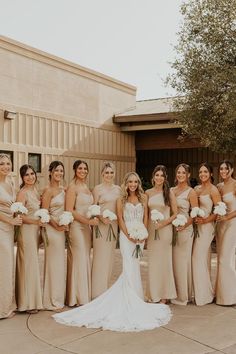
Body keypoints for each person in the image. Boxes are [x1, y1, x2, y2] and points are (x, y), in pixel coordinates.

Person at [53, 172, 171, 332]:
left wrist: (142, 233)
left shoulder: (143, 198)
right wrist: (128, 235)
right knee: (129, 265)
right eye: (130, 181)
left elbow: (145, 217)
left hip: (140, 236)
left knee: (135, 266)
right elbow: (121, 219)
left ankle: (136, 297)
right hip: (126, 236)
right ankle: (131, 299)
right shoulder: (121, 199)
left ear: (138, 183)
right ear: (126, 183)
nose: (133, 184)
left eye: (135, 181)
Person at [65, 160, 98, 306]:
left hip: (86, 228)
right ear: (74, 169)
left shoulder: (86, 187)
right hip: (77, 227)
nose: (83, 170)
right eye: (80, 168)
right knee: (78, 259)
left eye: (85, 168)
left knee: (84, 258)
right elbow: (70, 210)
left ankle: (83, 295)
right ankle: (76, 298)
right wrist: (87, 221)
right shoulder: (72, 187)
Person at [146, 165, 177, 304]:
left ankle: (164, 295)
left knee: (164, 262)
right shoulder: (147, 193)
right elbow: (145, 215)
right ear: (153, 177)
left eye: (161, 176)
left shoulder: (169, 193)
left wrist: (163, 223)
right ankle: (153, 293)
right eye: (157, 175)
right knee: (153, 262)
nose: (159, 178)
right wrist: (145, 232)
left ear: (165, 178)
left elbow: (175, 214)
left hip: (164, 231)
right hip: (152, 232)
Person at [192, 163, 221, 305]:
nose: (202, 174)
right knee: (202, 259)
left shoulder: (214, 190)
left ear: (210, 174)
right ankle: (201, 293)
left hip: (207, 227)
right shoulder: (196, 189)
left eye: (205, 172)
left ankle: (205, 295)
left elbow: (218, 211)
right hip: (196, 227)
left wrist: (204, 221)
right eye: (200, 172)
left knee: (197, 258)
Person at [15, 164, 43, 313]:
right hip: (26, 232)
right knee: (27, 265)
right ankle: (26, 303)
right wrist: (36, 222)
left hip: (34, 231)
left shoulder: (35, 191)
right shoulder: (23, 193)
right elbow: (19, 216)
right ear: (22, 177)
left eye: (32, 174)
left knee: (32, 265)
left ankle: (32, 300)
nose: (30, 177)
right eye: (26, 175)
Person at [91, 162, 121, 299]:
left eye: (111, 172)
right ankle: (97, 292)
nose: (109, 175)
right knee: (100, 257)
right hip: (101, 227)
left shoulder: (118, 190)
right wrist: (100, 218)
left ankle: (106, 289)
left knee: (109, 258)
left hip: (113, 227)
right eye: (107, 172)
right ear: (102, 174)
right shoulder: (97, 189)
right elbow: (93, 208)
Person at [171, 163, 198, 305]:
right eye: (178, 172)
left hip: (185, 230)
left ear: (188, 175)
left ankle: (183, 295)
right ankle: (172, 292)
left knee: (182, 262)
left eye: (183, 173)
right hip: (172, 230)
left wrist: (184, 225)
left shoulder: (191, 192)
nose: (180, 175)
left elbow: (194, 214)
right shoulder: (171, 190)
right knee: (173, 262)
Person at [41, 161, 66, 311]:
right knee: (53, 264)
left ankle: (57, 297)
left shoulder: (64, 189)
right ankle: (51, 300)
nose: (59, 173)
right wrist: (56, 225)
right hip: (52, 229)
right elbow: (44, 213)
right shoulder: (48, 190)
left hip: (62, 230)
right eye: (56, 171)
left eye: (61, 171)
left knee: (59, 264)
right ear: (50, 172)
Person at [0, 153, 22, 319]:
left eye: (8, 163)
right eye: (2, 164)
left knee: (7, 266)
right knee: (4, 266)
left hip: (10, 228)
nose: (6, 166)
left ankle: (6, 305)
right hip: (1, 227)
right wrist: (10, 220)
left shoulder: (11, 181)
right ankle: (2, 309)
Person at [215, 160, 236, 305]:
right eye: (221, 169)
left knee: (226, 259)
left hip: (232, 224)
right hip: (220, 225)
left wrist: (227, 216)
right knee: (220, 260)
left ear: (231, 170)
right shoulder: (219, 186)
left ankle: (230, 297)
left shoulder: (235, 184)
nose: (223, 171)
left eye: (226, 169)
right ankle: (221, 295)